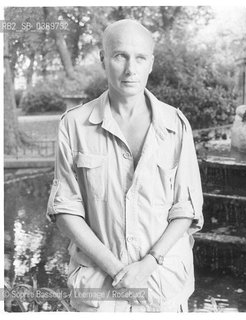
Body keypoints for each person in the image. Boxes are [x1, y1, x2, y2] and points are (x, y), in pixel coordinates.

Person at [45, 19, 203, 312]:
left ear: (151, 63)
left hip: (162, 289)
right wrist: (118, 270)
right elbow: (66, 210)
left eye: (140, 57)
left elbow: (187, 209)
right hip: (100, 293)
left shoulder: (176, 125)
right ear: (103, 58)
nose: (131, 69)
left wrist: (147, 265)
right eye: (120, 56)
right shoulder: (74, 125)